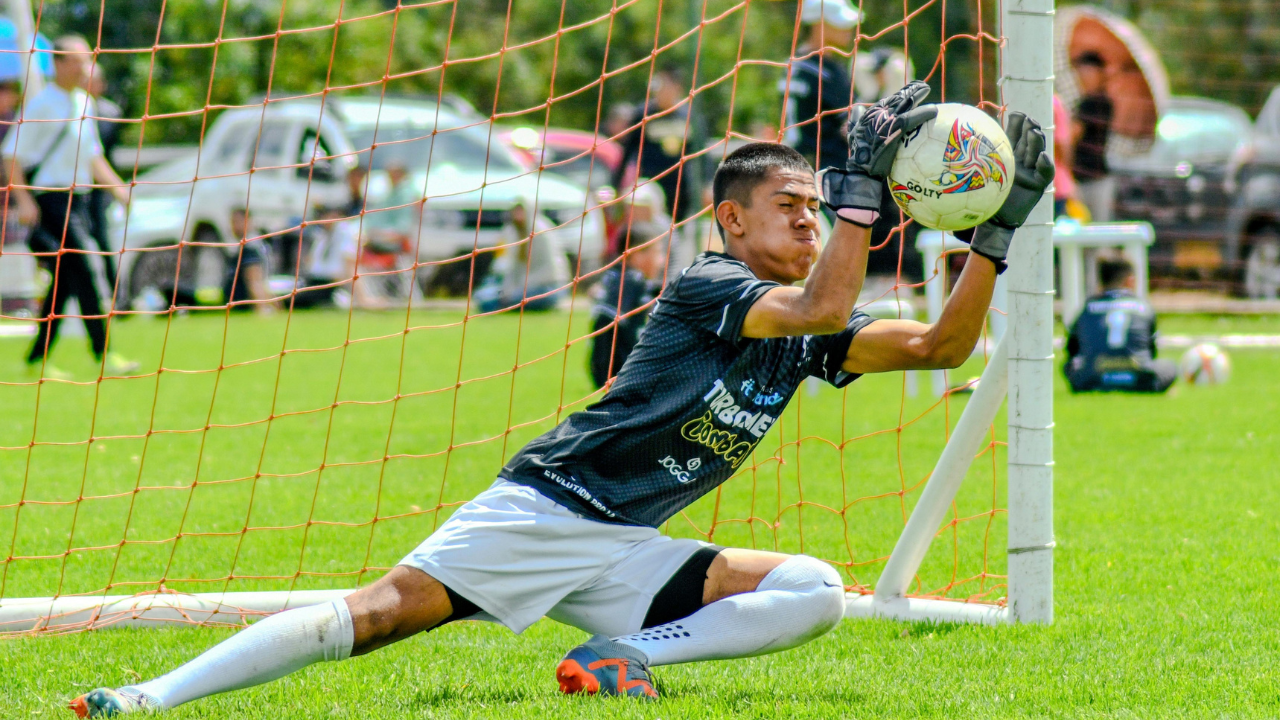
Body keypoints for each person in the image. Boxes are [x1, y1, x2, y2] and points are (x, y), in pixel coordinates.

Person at [69, 83, 1053, 715]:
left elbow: (939, 343)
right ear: (729, 221)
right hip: (548, 511)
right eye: (787, 211)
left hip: (625, 548)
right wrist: (854, 189)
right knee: (369, 618)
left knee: (809, 591)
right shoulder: (714, 286)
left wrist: (996, 235)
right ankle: (145, 700)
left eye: (814, 211)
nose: (807, 224)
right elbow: (826, 297)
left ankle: (618, 654)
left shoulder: (803, 320)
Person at [2, 35, 136, 379]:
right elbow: (12, 156)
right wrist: (25, 200)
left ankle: (36, 360)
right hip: (51, 200)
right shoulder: (42, 104)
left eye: (87, 60)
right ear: (59, 64)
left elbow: (93, 156)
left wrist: (120, 190)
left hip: (82, 201)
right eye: (76, 61)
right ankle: (105, 354)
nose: (84, 68)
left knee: (64, 281)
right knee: (88, 270)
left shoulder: (85, 103)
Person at [1063, 256, 1175, 394]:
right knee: (1170, 366)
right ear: (1130, 280)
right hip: (1138, 378)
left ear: (1100, 281)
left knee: (1070, 366)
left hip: (1092, 379)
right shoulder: (1143, 306)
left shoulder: (1088, 307)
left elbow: (1072, 349)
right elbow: (1151, 350)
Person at [779, 0, 860, 171]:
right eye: (839, 23)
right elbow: (854, 127)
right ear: (819, 25)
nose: (849, 29)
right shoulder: (825, 72)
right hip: (832, 174)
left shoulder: (792, 66)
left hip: (797, 167)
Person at [611, 68, 698, 225]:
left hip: (680, 188)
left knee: (676, 233)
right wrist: (616, 184)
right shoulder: (643, 114)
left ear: (677, 87)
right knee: (650, 231)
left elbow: (700, 153)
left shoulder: (689, 116)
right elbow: (628, 151)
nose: (659, 89)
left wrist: (706, 183)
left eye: (665, 85)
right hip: (651, 185)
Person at [588, 231, 664, 388]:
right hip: (621, 370)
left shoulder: (618, 275)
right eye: (657, 253)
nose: (662, 260)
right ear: (637, 255)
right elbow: (606, 322)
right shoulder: (631, 280)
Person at [474, 197, 569, 313]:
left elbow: (550, 271)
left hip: (546, 287)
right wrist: (507, 289)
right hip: (518, 287)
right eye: (515, 210)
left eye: (521, 210)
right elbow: (510, 267)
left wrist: (521, 287)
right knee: (483, 295)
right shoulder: (511, 232)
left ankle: (505, 305)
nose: (518, 214)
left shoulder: (542, 232)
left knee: (512, 298)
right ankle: (503, 304)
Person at [86, 63, 123, 290]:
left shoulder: (109, 114)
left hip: (99, 187)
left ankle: (116, 292)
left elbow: (100, 153)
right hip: (76, 185)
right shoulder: (73, 108)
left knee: (102, 238)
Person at [1071, 52, 1113, 222]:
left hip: (1095, 179)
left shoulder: (1097, 103)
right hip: (1082, 177)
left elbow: (1074, 133)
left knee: (1095, 233)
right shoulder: (1083, 102)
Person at [225, 207, 274, 313]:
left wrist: (261, 308)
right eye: (232, 222)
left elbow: (254, 281)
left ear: (248, 221)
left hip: (245, 309)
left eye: (237, 221)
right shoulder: (254, 244)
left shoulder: (249, 247)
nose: (234, 226)